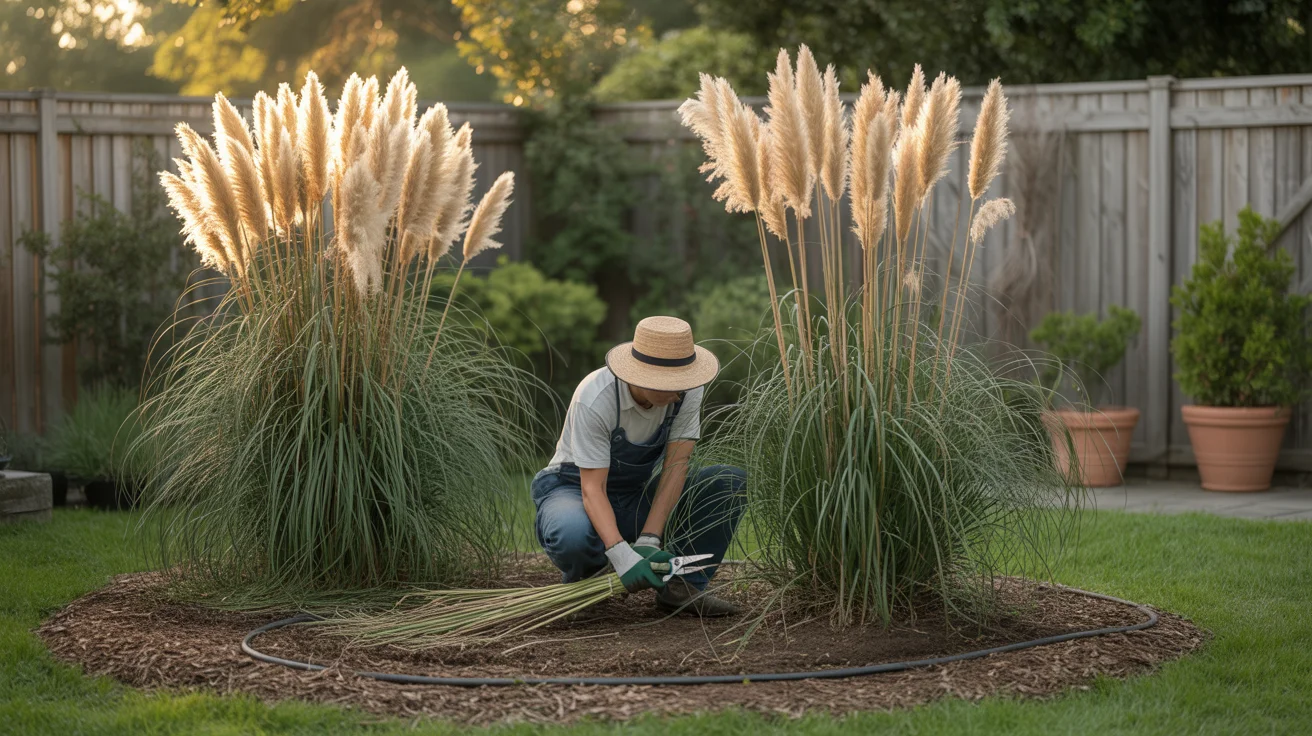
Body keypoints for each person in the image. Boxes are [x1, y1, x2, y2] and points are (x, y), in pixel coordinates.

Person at [530, 316, 745, 616]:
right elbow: (593, 489)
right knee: (572, 533)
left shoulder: (686, 388)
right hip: (574, 491)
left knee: (727, 482)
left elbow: (676, 465)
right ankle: (589, 580)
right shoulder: (594, 397)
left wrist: (649, 540)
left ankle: (682, 587)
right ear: (640, 378)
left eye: (684, 384)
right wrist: (620, 554)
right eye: (670, 386)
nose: (679, 394)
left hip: (632, 494)